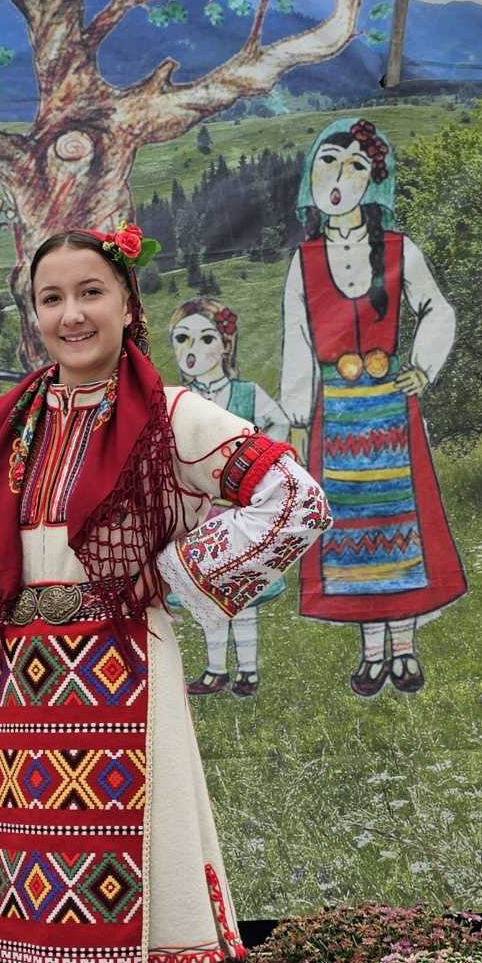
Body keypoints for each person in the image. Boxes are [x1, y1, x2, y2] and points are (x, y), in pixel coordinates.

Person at [0, 223, 331, 963]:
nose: (70, 314)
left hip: (125, 682)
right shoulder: (3, 427)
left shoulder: (173, 417)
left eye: (90, 292)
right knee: (71, 917)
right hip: (28, 690)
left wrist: (171, 572)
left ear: (127, 303)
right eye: (51, 298)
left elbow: (295, 498)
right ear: (33, 314)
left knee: (134, 907)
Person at [279, 117, 466, 695]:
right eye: (329, 162)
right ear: (312, 174)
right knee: (349, 532)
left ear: (374, 182)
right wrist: (296, 421)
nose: (339, 177)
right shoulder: (304, 260)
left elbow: (438, 309)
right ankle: (371, 653)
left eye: (355, 166)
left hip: (391, 411)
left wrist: (422, 367)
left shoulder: (399, 250)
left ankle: (404, 649)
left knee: (398, 523)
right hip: (335, 418)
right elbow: (298, 341)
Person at [168, 296, 289, 698]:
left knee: (243, 593)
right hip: (199, 518)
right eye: (182, 339)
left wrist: (259, 468)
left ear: (225, 345)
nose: (193, 350)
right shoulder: (176, 400)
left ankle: (248, 671)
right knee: (210, 596)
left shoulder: (245, 393)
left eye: (206, 339)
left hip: (238, 514)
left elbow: (278, 423)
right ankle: (215, 669)